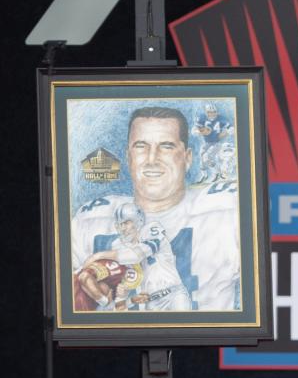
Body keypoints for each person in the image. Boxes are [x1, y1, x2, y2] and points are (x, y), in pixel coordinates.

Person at [72, 106, 241, 311]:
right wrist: (88, 277)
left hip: (200, 336)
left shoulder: (228, 211)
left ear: (187, 158)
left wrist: (98, 257)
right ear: (128, 157)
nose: (152, 159)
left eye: (167, 146)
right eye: (141, 146)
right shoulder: (89, 220)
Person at [193, 103, 234, 184]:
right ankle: (204, 175)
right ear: (206, 112)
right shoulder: (202, 118)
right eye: (209, 112)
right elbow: (194, 130)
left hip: (216, 142)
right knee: (202, 158)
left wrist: (225, 133)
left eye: (213, 112)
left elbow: (232, 128)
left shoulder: (221, 118)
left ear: (216, 112)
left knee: (207, 157)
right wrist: (201, 132)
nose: (212, 114)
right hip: (207, 142)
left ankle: (216, 173)